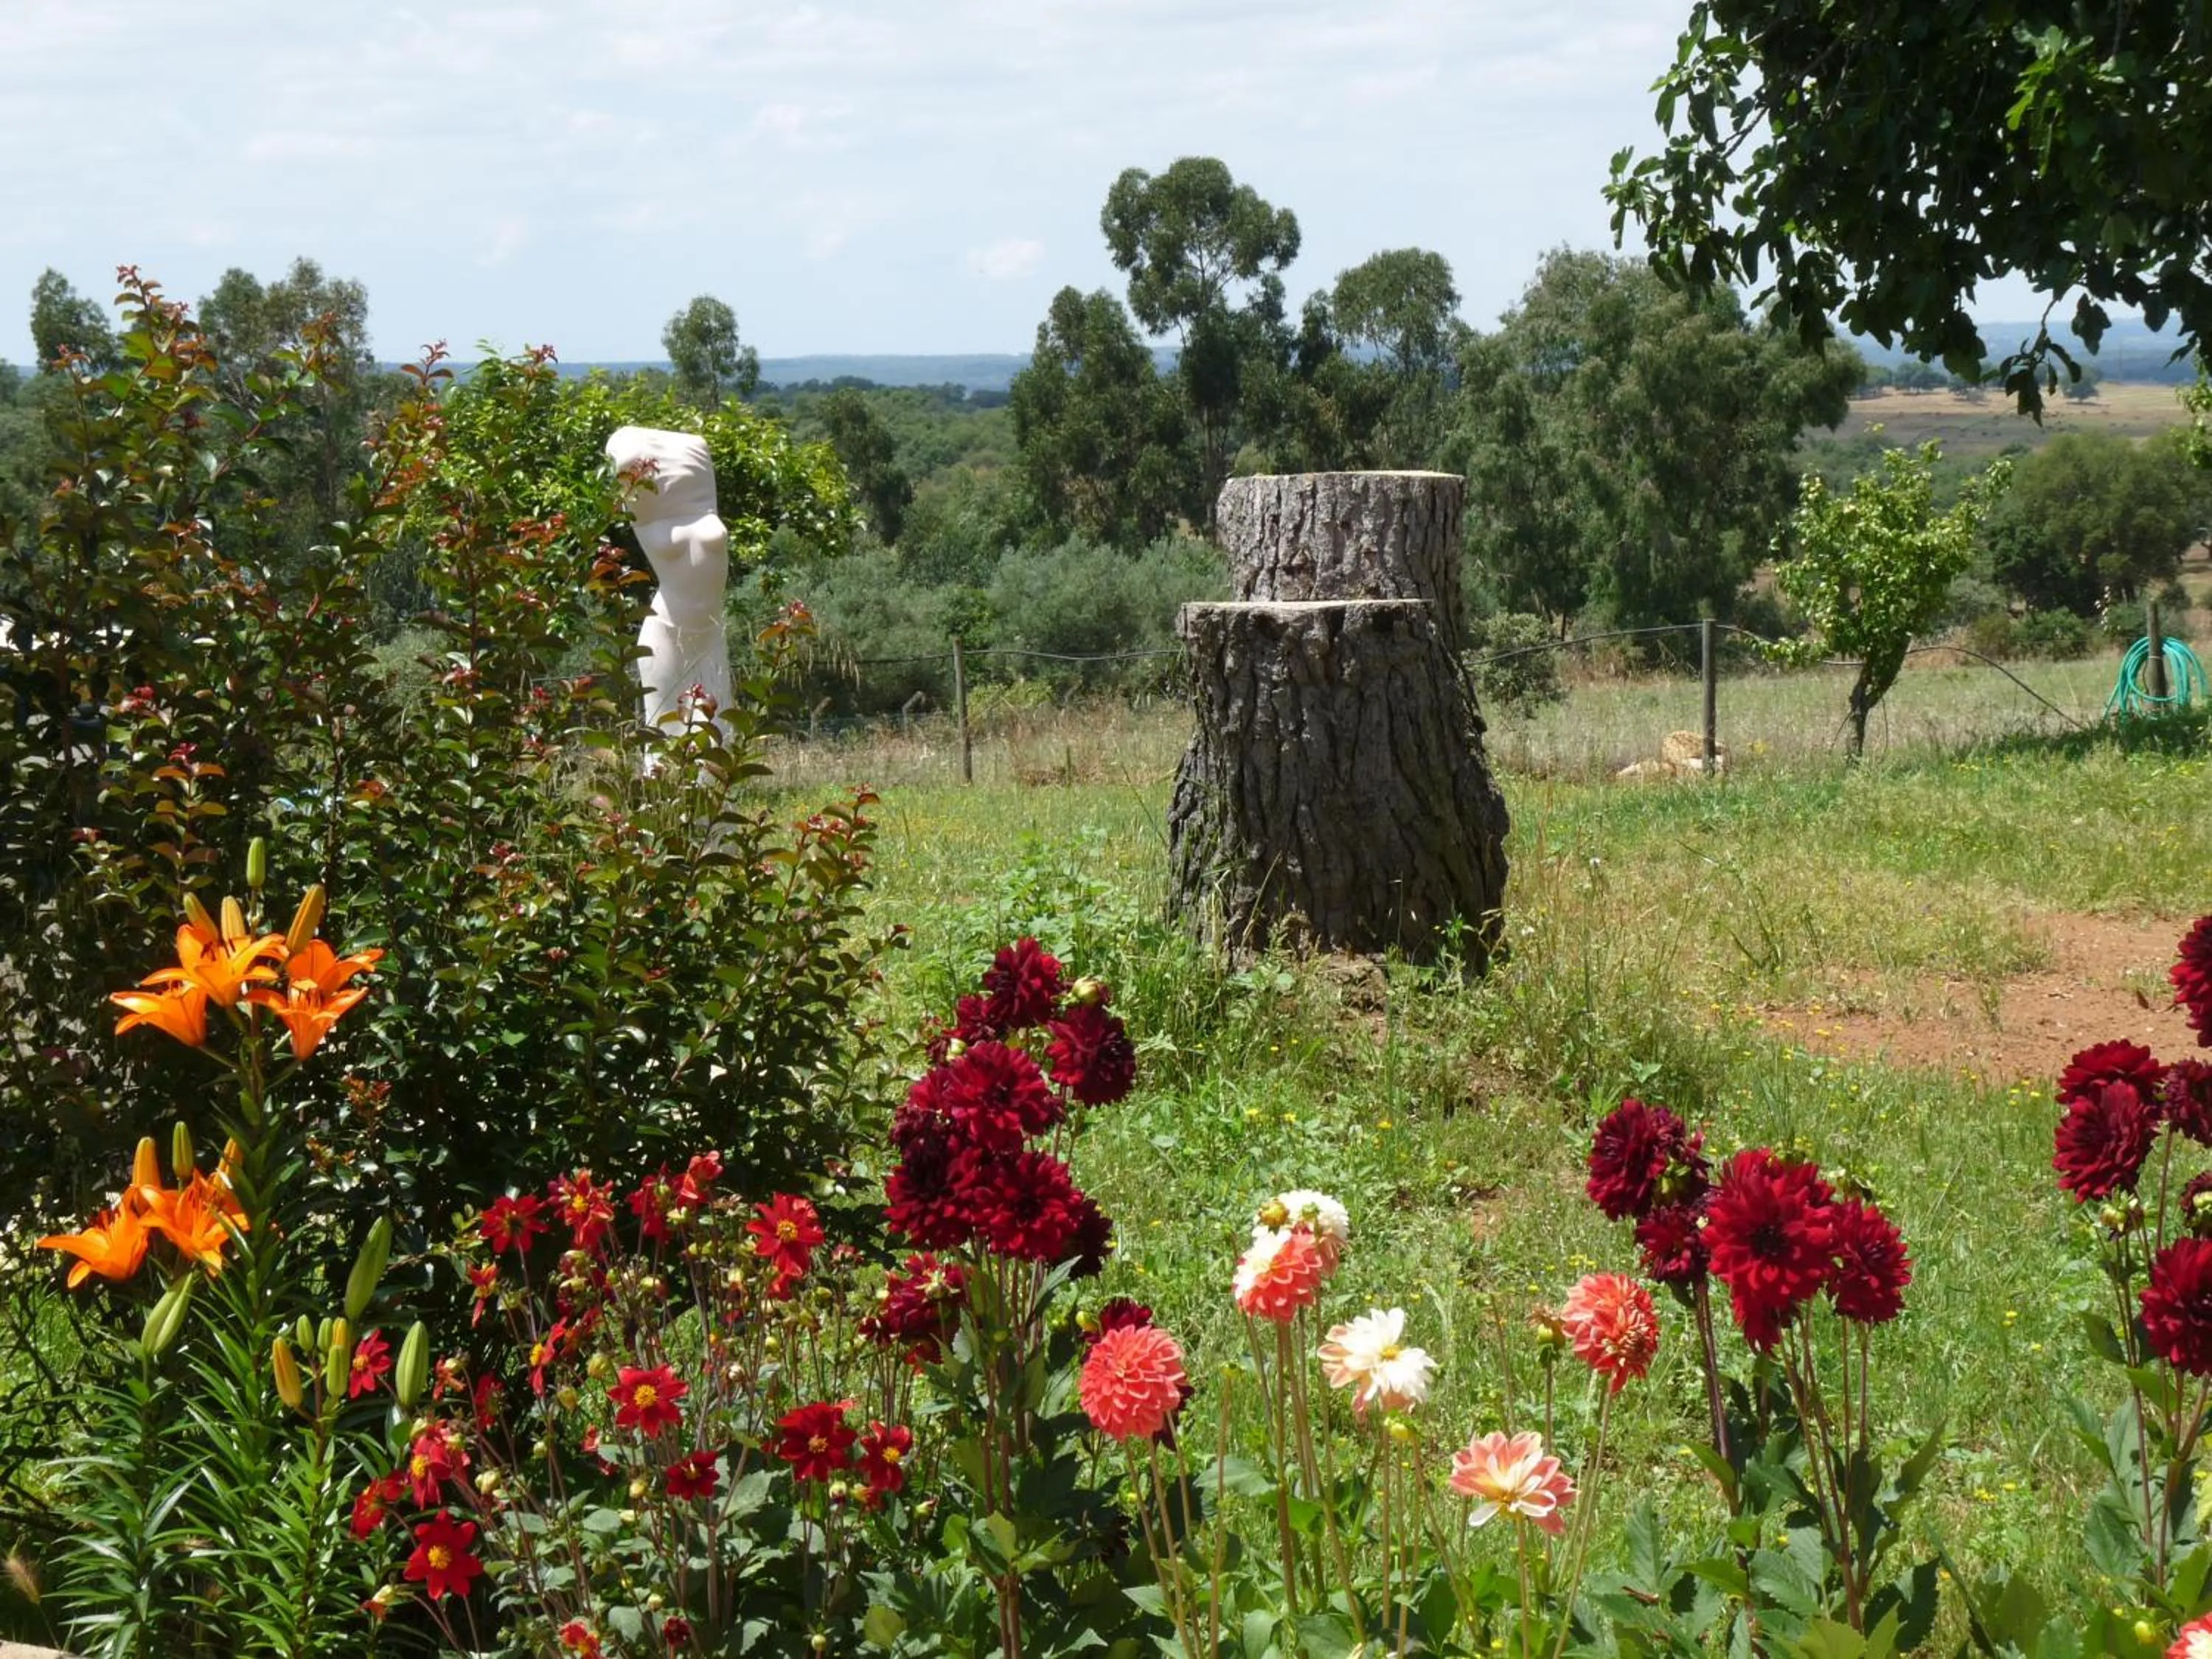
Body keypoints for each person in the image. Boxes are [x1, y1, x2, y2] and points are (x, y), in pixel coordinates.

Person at [603, 425, 733, 753]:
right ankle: (663, 803)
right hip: (667, 633)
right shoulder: (645, 510)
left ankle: (709, 803)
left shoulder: (701, 483)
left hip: (709, 636)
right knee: (665, 733)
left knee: (718, 740)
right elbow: (621, 450)